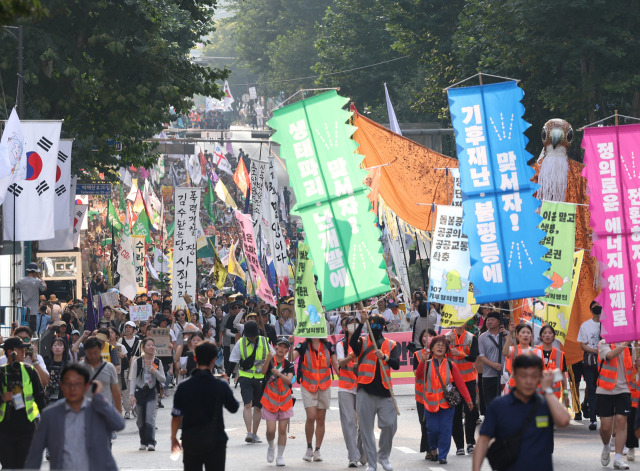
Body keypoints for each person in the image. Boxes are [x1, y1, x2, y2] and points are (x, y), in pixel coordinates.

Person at [472, 353, 571, 471]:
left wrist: (548, 391)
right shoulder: (499, 406)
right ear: (515, 375)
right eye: (523, 375)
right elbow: (483, 441)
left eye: (534, 376)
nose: (529, 381)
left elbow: (564, 420)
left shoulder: (545, 404)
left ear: (540, 377)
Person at [24, 363, 126, 471]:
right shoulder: (50, 415)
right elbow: (35, 453)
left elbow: (119, 424)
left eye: (78, 384)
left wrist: (98, 397)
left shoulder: (97, 409)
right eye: (68, 384)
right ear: (62, 386)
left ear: (86, 386)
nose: (72, 388)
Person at [171, 341, 239, 470]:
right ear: (214, 359)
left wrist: (173, 437)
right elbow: (233, 407)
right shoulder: (220, 385)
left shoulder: (183, 386)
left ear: (195, 357)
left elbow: (176, 416)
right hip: (216, 439)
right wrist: (226, 385)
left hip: (190, 439)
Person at [350, 311, 399, 471]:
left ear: (383, 327)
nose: (375, 328)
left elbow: (396, 364)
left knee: (390, 425)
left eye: (378, 325)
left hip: (385, 391)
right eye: (372, 325)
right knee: (366, 429)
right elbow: (352, 343)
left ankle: (383, 456)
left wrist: (384, 357)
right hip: (365, 389)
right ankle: (372, 464)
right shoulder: (362, 341)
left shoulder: (391, 344)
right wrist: (362, 323)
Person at [416, 336, 472, 464]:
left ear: (447, 349)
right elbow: (418, 376)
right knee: (433, 429)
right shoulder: (427, 363)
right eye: (437, 345)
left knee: (446, 430)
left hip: (447, 404)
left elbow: (460, 384)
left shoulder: (450, 365)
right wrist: (422, 362)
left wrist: (468, 400)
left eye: (443, 345)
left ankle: (443, 455)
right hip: (430, 404)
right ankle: (433, 449)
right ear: (432, 348)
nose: (440, 347)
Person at [0, 337, 46, 469]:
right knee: (8, 466)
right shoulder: (1, 372)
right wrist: (3, 398)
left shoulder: (30, 371)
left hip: (27, 428)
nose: (24, 351)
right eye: (20, 349)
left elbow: (40, 397)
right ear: (10, 352)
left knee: (25, 466)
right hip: (5, 429)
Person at [292, 333, 339, 462]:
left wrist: (348, 378)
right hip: (308, 385)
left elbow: (336, 365)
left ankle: (317, 450)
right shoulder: (303, 345)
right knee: (311, 416)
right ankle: (309, 447)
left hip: (324, 386)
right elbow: (290, 358)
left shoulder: (329, 346)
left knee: (321, 419)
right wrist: (291, 344)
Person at [228, 320, 274, 443]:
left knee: (258, 407)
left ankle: (254, 433)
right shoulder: (241, 342)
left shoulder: (264, 341)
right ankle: (248, 433)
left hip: (260, 378)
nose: (252, 338)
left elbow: (273, 357)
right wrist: (227, 376)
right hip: (245, 377)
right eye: (250, 336)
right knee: (248, 404)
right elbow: (233, 360)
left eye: (254, 335)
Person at [597, 340, 636, 469]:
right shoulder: (603, 343)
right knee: (606, 427)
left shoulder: (631, 345)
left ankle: (618, 457)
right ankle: (606, 446)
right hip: (605, 389)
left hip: (624, 389)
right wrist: (626, 343)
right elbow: (609, 356)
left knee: (621, 421)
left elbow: (634, 365)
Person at [261, 337, 295, 466]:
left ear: (287, 350)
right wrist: (268, 359)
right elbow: (263, 372)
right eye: (279, 346)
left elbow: (289, 381)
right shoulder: (270, 361)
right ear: (275, 347)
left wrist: (279, 374)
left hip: (285, 401)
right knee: (271, 430)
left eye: (284, 347)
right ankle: (271, 446)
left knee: (282, 430)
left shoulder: (289, 365)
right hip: (270, 400)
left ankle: (280, 456)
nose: (281, 349)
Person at [446, 323, 479, 455]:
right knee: (455, 413)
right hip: (452, 381)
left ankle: (470, 443)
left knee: (471, 411)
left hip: (468, 380)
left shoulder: (472, 338)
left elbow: (474, 357)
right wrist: (447, 342)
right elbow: (439, 354)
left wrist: (460, 353)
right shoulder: (446, 337)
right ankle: (459, 445)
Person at [336, 315, 365, 467]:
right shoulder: (341, 344)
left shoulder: (365, 342)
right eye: (350, 325)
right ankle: (352, 456)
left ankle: (361, 451)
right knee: (349, 422)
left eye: (356, 324)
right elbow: (341, 362)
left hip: (362, 386)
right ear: (345, 328)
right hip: (346, 387)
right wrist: (352, 356)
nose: (353, 327)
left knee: (364, 422)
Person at [131, 338, 166, 451]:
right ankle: (143, 441)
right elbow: (133, 379)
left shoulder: (157, 362)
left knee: (150, 417)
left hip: (151, 391)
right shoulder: (138, 361)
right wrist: (132, 395)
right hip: (140, 391)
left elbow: (163, 379)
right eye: (148, 345)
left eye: (153, 345)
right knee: (140, 418)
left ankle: (151, 442)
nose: (151, 347)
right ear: (143, 348)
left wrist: (154, 371)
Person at [81, 337, 122, 414]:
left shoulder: (109, 367)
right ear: (85, 351)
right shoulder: (79, 368)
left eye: (95, 352)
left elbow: (116, 392)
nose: (93, 356)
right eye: (89, 353)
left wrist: (119, 414)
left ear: (101, 350)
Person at [578, 300, 602, 430]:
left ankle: (603, 415)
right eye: (595, 307)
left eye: (599, 307)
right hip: (590, 362)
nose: (597, 309)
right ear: (591, 310)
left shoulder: (607, 324)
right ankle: (593, 419)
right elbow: (582, 345)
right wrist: (597, 351)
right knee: (591, 390)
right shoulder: (585, 325)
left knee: (603, 390)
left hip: (606, 362)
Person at [413, 328, 436, 459]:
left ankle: (435, 448)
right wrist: (423, 360)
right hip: (422, 396)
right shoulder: (417, 354)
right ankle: (428, 449)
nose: (425, 338)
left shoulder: (440, 353)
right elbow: (417, 374)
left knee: (436, 424)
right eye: (424, 336)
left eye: (429, 336)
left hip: (437, 395)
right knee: (425, 423)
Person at [477, 311, 506, 408]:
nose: (489, 322)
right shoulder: (482, 337)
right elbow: (481, 356)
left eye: (492, 320)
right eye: (488, 320)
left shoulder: (506, 335)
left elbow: (512, 350)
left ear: (499, 322)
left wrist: (506, 335)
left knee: (504, 402)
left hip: (504, 374)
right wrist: (493, 364)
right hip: (488, 375)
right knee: (491, 403)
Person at [534, 325, 568, 403]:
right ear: (541, 336)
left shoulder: (560, 354)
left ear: (553, 336)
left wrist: (565, 393)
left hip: (554, 395)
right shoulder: (534, 351)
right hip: (537, 394)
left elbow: (563, 375)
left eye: (550, 333)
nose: (547, 335)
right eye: (545, 333)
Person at [502, 323, 538, 392]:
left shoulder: (536, 351)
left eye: (528, 333)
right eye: (523, 332)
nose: (525, 335)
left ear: (531, 337)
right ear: (517, 336)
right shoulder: (512, 349)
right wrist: (510, 334)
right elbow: (505, 352)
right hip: (513, 387)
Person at [118, 320, 140, 419]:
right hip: (125, 368)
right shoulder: (121, 341)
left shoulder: (138, 340)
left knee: (135, 390)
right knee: (126, 390)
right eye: (126, 327)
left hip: (136, 369)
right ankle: (127, 411)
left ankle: (135, 409)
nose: (128, 329)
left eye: (130, 327)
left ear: (134, 329)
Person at [44, 337, 70, 404]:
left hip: (63, 398)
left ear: (64, 348)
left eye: (60, 345)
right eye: (55, 345)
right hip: (48, 397)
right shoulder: (46, 363)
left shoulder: (68, 365)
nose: (57, 347)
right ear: (51, 348)